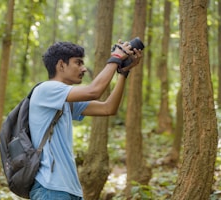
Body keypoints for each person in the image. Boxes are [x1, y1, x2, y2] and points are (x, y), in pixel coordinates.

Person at [29, 39, 142, 200]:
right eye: (78, 63)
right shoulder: (46, 90)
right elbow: (93, 91)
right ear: (61, 65)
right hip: (51, 188)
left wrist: (123, 73)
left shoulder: (65, 101)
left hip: (69, 189)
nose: (83, 68)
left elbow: (108, 108)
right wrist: (116, 57)